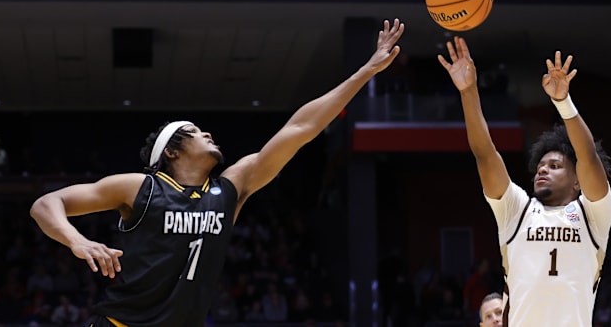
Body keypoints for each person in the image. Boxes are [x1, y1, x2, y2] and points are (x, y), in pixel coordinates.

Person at [29, 18, 405, 327]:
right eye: (193, 131)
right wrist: (76, 241)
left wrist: (366, 71)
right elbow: (47, 203)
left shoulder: (231, 188)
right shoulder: (140, 187)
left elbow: (299, 130)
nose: (207, 132)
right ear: (172, 150)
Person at [438, 36, 611, 326]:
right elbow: (485, 154)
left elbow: (588, 156)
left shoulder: (594, 214)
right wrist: (469, 92)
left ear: (577, 181)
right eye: (540, 166)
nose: (542, 170)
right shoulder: (516, 210)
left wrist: (563, 102)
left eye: (555, 165)